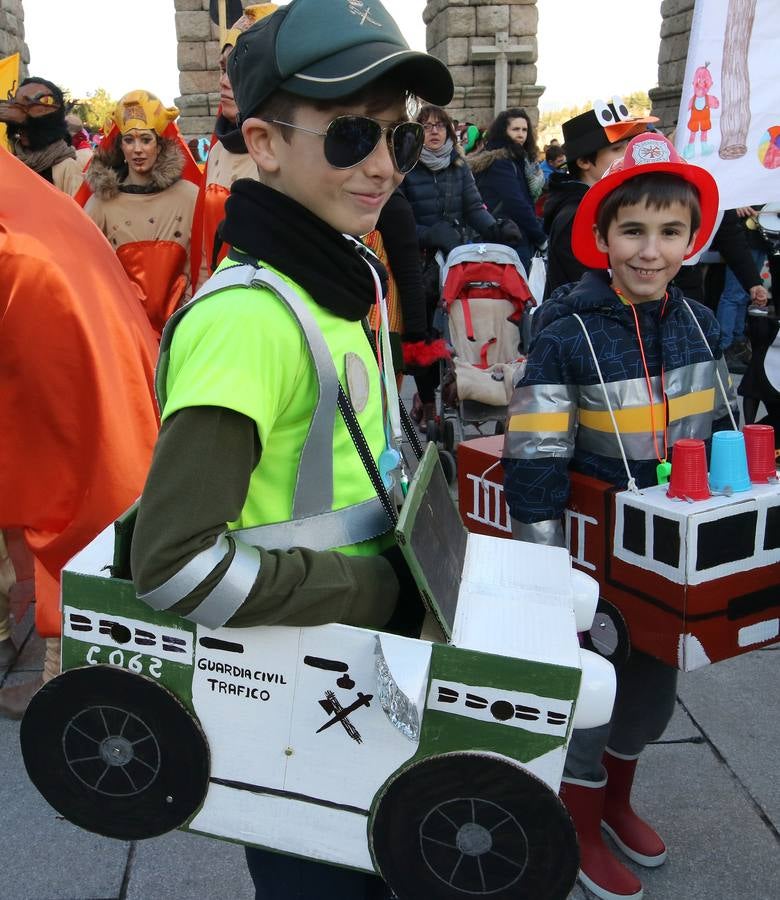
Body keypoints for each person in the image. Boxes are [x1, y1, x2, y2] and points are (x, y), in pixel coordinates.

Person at [129, 1, 452, 897]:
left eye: (405, 139)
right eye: (352, 135)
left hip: (351, 671)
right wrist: (376, 584)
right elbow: (175, 569)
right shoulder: (248, 321)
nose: (385, 165)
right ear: (264, 143)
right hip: (294, 696)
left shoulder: (346, 282)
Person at [502, 133, 737, 900]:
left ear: (691, 239)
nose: (651, 250)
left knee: (652, 696)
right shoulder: (566, 335)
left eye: (670, 232)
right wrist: (547, 573)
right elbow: (534, 459)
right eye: (633, 230)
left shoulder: (702, 321)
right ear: (601, 238)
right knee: (593, 697)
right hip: (593, 558)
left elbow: (723, 432)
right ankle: (574, 819)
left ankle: (617, 803)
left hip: (673, 555)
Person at [0, 146, 159, 718]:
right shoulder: (19, 189)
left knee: (66, 492)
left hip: (59, 339)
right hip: (85, 336)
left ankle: (63, 663)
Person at [399, 104, 520, 425]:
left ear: (450, 132)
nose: (434, 132)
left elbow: (473, 208)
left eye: (440, 126)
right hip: (419, 263)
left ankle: (456, 386)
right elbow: (398, 219)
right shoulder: (405, 169)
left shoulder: (458, 167)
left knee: (455, 331)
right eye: (426, 126)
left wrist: (494, 227)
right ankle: (426, 402)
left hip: (454, 258)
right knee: (423, 337)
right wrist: (428, 234)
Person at [80, 90, 200, 336]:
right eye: (129, 140)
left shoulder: (190, 196)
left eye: (146, 140)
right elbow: (85, 267)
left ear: (159, 145)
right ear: (120, 146)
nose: (137, 149)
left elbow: (204, 261)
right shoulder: (100, 204)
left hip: (183, 325)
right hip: (124, 331)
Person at [192, 3, 278, 286]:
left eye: (237, 68)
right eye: (222, 68)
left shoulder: (295, 151)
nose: (223, 82)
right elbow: (206, 249)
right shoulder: (218, 151)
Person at [544, 101, 657, 298]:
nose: (629, 155)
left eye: (630, 145)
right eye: (617, 149)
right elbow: (589, 288)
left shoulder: (602, 205)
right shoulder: (577, 215)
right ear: (584, 161)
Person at [468, 106, 548, 271]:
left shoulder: (519, 159)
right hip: (509, 237)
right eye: (515, 129)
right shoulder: (501, 161)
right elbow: (515, 202)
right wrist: (539, 236)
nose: (521, 134)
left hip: (514, 233)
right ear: (503, 131)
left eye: (525, 130)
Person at [0, 77, 87, 195]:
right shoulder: (14, 162)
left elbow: (76, 210)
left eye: (28, 130)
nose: (22, 134)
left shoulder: (67, 168)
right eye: (19, 129)